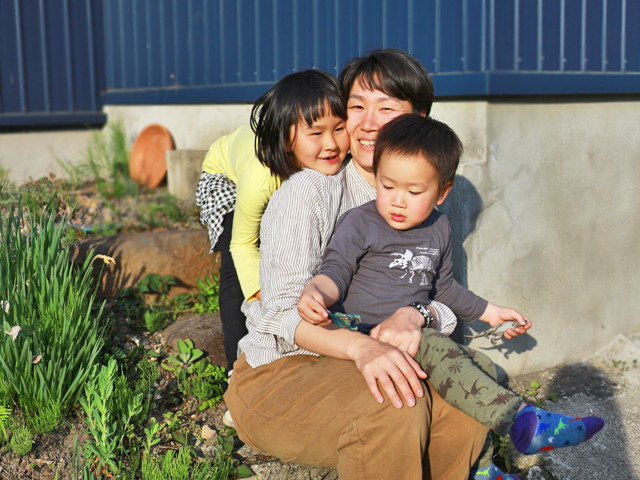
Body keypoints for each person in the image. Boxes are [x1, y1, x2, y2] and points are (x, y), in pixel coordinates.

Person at [225, 50, 497, 480]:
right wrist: (362, 347)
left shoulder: (427, 208)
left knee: (468, 392)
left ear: (418, 119)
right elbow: (279, 311)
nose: (367, 123)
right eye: (356, 107)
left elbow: (446, 303)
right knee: (397, 403)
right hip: (283, 372)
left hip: (361, 363)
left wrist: (416, 313)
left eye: (386, 108)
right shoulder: (310, 193)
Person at [298, 114, 605, 480]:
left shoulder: (439, 228)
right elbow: (336, 269)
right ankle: (520, 421)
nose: (397, 201)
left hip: (412, 338)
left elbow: (444, 289)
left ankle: (479, 467)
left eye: (413, 193)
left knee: (483, 368)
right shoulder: (360, 222)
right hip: (367, 339)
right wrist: (317, 291)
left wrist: (491, 312)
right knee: (434, 344)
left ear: (442, 192)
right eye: (387, 185)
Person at [195, 70, 345, 372]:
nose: (330, 144)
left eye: (340, 129)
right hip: (226, 179)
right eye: (316, 133)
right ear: (287, 139)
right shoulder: (260, 176)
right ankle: (236, 368)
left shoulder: (331, 166)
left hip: (284, 174)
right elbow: (242, 243)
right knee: (236, 270)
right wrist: (263, 292)